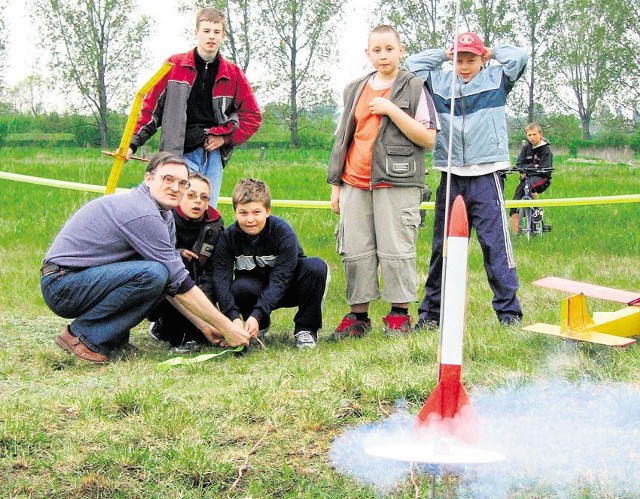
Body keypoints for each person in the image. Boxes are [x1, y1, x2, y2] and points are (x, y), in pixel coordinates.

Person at [41, 152, 250, 364]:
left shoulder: (164, 215)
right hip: (62, 284)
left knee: (159, 275)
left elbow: (172, 285)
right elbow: (179, 282)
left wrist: (204, 326)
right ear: (148, 178)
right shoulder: (143, 213)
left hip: (81, 279)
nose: (175, 187)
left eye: (182, 183)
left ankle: (111, 338)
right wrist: (227, 327)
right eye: (167, 179)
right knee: (154, 274)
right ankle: (82, 337)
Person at [405, 31, 528, 328]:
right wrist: (444, 54)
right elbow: (412, 65)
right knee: (441, 249)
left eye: (470, 59)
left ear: (481, 60)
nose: (464, 65)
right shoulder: (440, 82)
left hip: (486, 175)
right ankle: (431, 314)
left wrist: (491, 50)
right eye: (459, 59)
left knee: (495, 247)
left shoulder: (497, 78)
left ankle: (508, 312)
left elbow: (520, 57)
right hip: (451, 176)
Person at [327, 24, 439, 339]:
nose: (383, 55)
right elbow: (342, 139)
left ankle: (399, 315)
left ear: (401, 50)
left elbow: (428, 138)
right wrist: (337, 185)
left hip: (398, 183)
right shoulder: (355, 89)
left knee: (396, 249)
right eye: (376, 50)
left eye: (389, 49)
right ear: (368, 54)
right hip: (354, 182)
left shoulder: (415, 87)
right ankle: (358, 316)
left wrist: (391, 109)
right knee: (355, 249)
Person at [126, 7, 262, 208]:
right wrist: (132, 144)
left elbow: (252, 116)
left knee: (206, 212)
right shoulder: (174, 66)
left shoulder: (233, 74)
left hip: (213, 156)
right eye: (206, 31)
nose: (211, 37)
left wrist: (225, 138)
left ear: (223, 36)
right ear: (196, 33)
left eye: (216, 32)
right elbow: (151, 110)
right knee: (167, 210)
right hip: (179, 153)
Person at [212, 178, 329, 349]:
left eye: (256, 212)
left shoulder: (283, 232)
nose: (250, 219)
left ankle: (306, 329)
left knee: (316, 267)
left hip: (288, 286)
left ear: (268, 211)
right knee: (239, 287)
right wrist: (233, 318)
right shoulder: (228, 238)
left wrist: (258, 312)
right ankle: (260, 326)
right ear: (235, 212)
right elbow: (221, 280)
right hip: (255, 287)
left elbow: (281, 278)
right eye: (243, 213)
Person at [148, 172, 225, 352]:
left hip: (199, 291)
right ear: (181, 195)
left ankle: (195, 332)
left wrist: (204, 306)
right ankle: (166, 328)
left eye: (204, 197)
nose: (197, 201)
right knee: (181, 260)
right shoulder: (163, 219)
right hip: (166, 291)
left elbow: (213, 271)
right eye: (191, 195)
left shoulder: (216, 227)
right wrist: (178, 253)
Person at [509, 123, 553, 235]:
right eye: (529, 135)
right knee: (514, 202)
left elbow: (545, 168)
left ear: (540, 134)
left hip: (542, 178)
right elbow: (519, 163)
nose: (532, 137)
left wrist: (526, 169)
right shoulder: (526, 147)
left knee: (531, 187)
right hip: (526, 179)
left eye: (534, 134)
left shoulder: (546, 149)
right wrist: (532, 167)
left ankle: (537, 210)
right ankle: (516, 235)